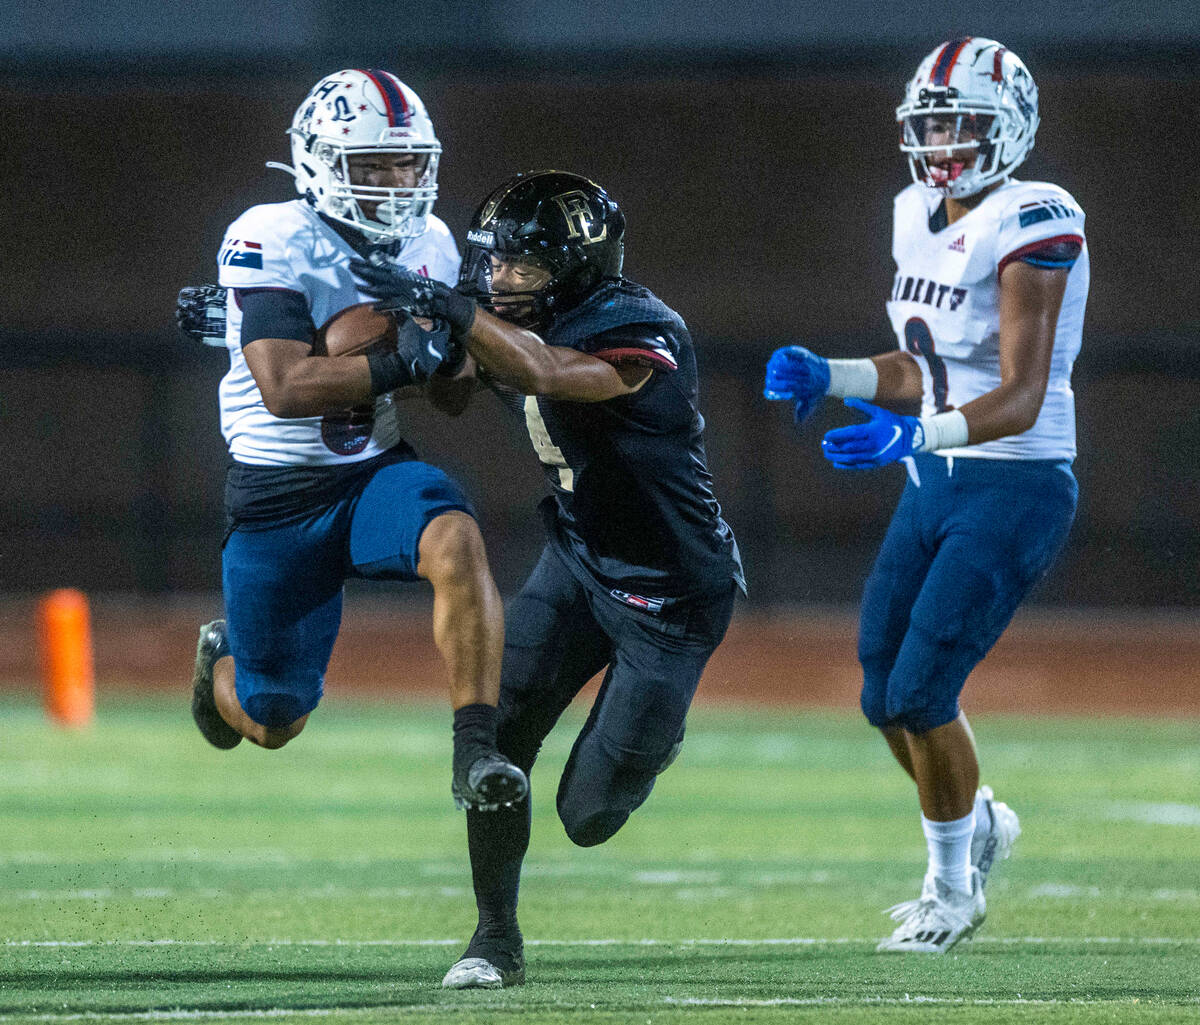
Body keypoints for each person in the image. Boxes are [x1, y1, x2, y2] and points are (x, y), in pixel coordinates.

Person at [352, 170, 745, 988]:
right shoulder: (498, 309)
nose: (499, 279)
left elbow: (548, 372)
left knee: (587, 815)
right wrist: (412, 337)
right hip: (577, 559)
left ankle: (650, 732)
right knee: (498, 738)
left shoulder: (638, 323)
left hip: (670, 592)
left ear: (577, 266)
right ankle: (494, 938)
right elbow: (455, 394)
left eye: (522, 267)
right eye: (491, 263)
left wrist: (459, 313)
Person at [765, 38, 1087, 953]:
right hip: (936, 475)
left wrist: (919, 430)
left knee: (923, 688)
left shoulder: (1037, 217)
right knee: (880, 691)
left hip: (1015, 482)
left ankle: (953, 890)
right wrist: (832, 373)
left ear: (1012, 127)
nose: (944, 139)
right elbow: (925, 366)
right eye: (933, 121)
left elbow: (1020, 392)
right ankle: (974, 819)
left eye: (963, 122)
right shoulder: (915, 210)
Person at [183, 68, 527, 816]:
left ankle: (476, 748)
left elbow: (454, 398)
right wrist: (404, 356)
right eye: (372, 164)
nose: (396, 180)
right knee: (274, 719)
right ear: (318, 160)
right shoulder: (270, 234)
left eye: (407, 161)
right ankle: (221, 668)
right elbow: (284, 387)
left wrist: (452, 353)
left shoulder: (431, 240)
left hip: (373, 469)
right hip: (277, 494)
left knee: (455, 537)